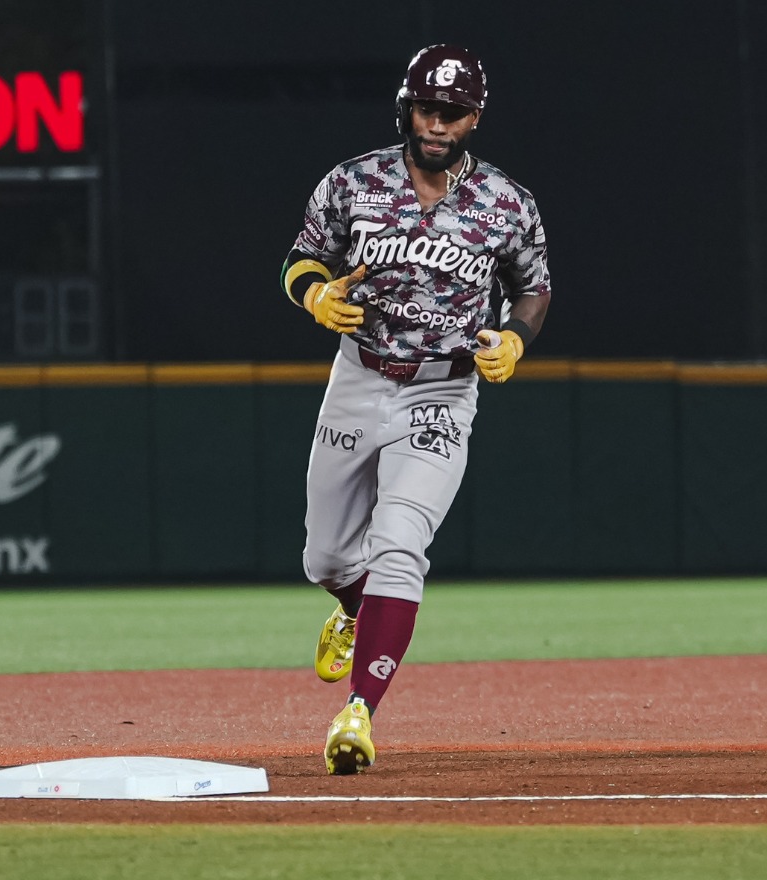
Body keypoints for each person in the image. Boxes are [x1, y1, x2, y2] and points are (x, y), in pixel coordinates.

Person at [279, 44, 552, 775]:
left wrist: (516, 340)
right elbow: (301, 257)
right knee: (326, 555)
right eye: (428, 107)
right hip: (359, 375)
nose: (438, 122)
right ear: (407, 106)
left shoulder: (507, 202)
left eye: (453, 112)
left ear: (473, 119)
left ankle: (359, 714)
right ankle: (351, 605)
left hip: (443, 387)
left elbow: (534, 287)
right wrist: (315, 293)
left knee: (400, 543)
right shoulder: (352, 182)